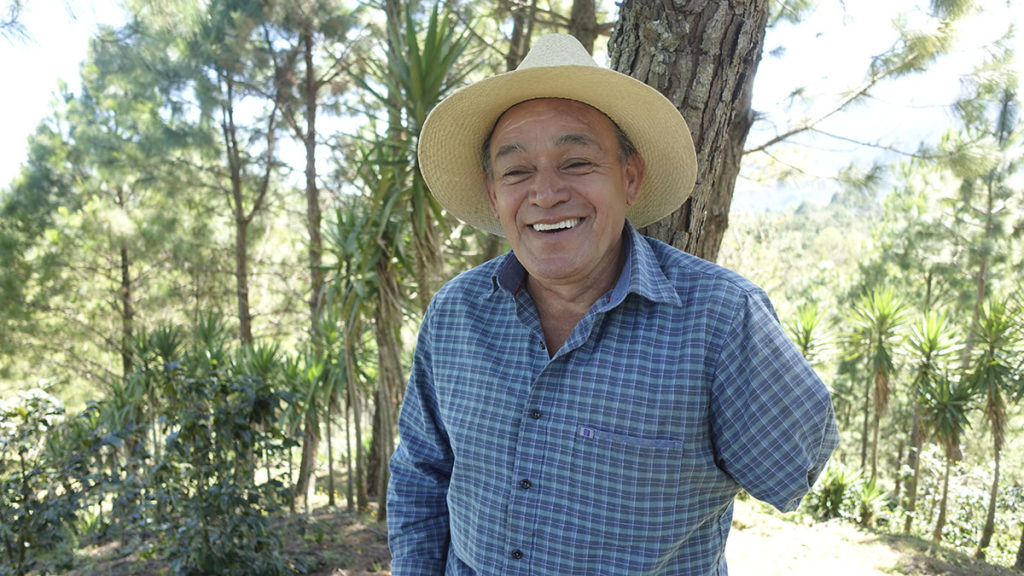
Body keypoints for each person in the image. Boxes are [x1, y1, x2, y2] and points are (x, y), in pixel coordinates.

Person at [387, 33, 839, 575]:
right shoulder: (456, 314)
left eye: (576, 162)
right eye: (516, 171)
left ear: (630, 177)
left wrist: (751, 353)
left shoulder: (719, 319)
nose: (546, 192)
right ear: (493, 194)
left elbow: (793, 471)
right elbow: (421, 474)